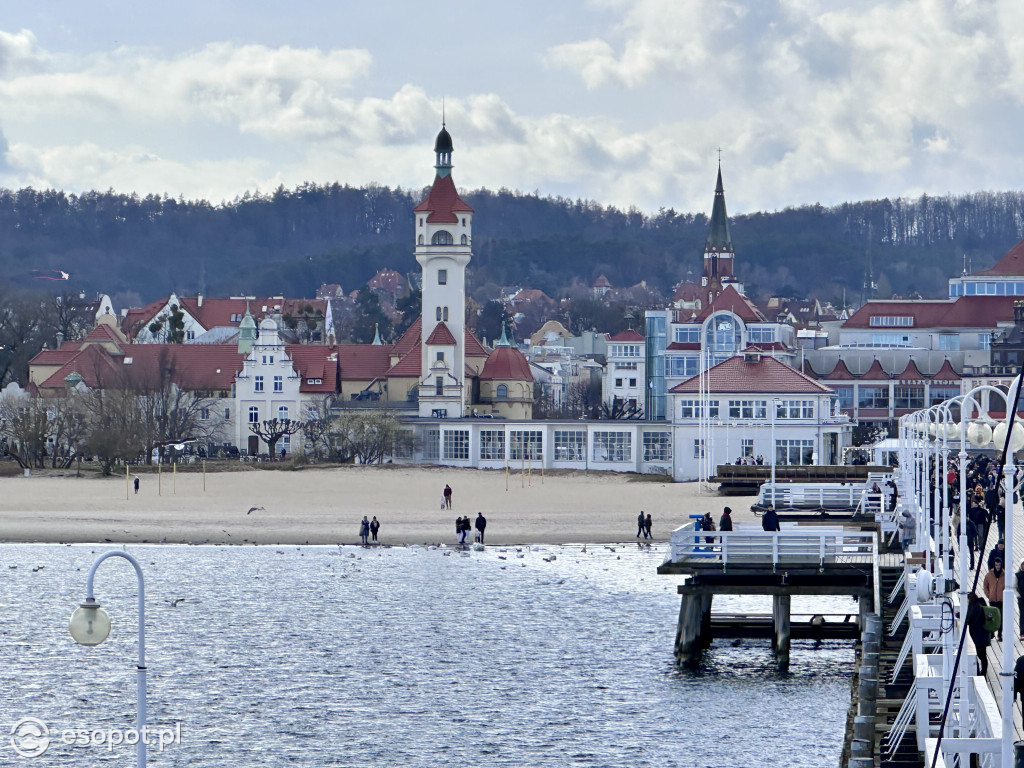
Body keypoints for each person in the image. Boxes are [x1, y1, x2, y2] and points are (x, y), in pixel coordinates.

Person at [966, 593, 992, 677]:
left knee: (980, 655)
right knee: (983, 655)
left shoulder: (974, 608)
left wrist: (959, 615)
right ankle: (983, 672)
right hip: (984, 634)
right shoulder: (982, 604)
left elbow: (969, 620)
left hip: (978, 636)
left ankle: (982, 673)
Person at [984, 559, 1006, 642]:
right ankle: (992, 634)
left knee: (1000, 618)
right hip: (992, 599)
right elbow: (985, 585)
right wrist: (988, 595)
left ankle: (1000, 634)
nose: (998, 567)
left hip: (1001, 600)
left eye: (999, 565)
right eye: (996, 565)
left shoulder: (1004, 575)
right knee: (991, 617)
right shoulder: (989, 575)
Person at [1016, 560, 1024, 640]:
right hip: (1021, 598)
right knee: (1022, 615)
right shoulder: (1018, 575)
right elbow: (1015, 586)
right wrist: (1018, 595)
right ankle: (1022, 632)